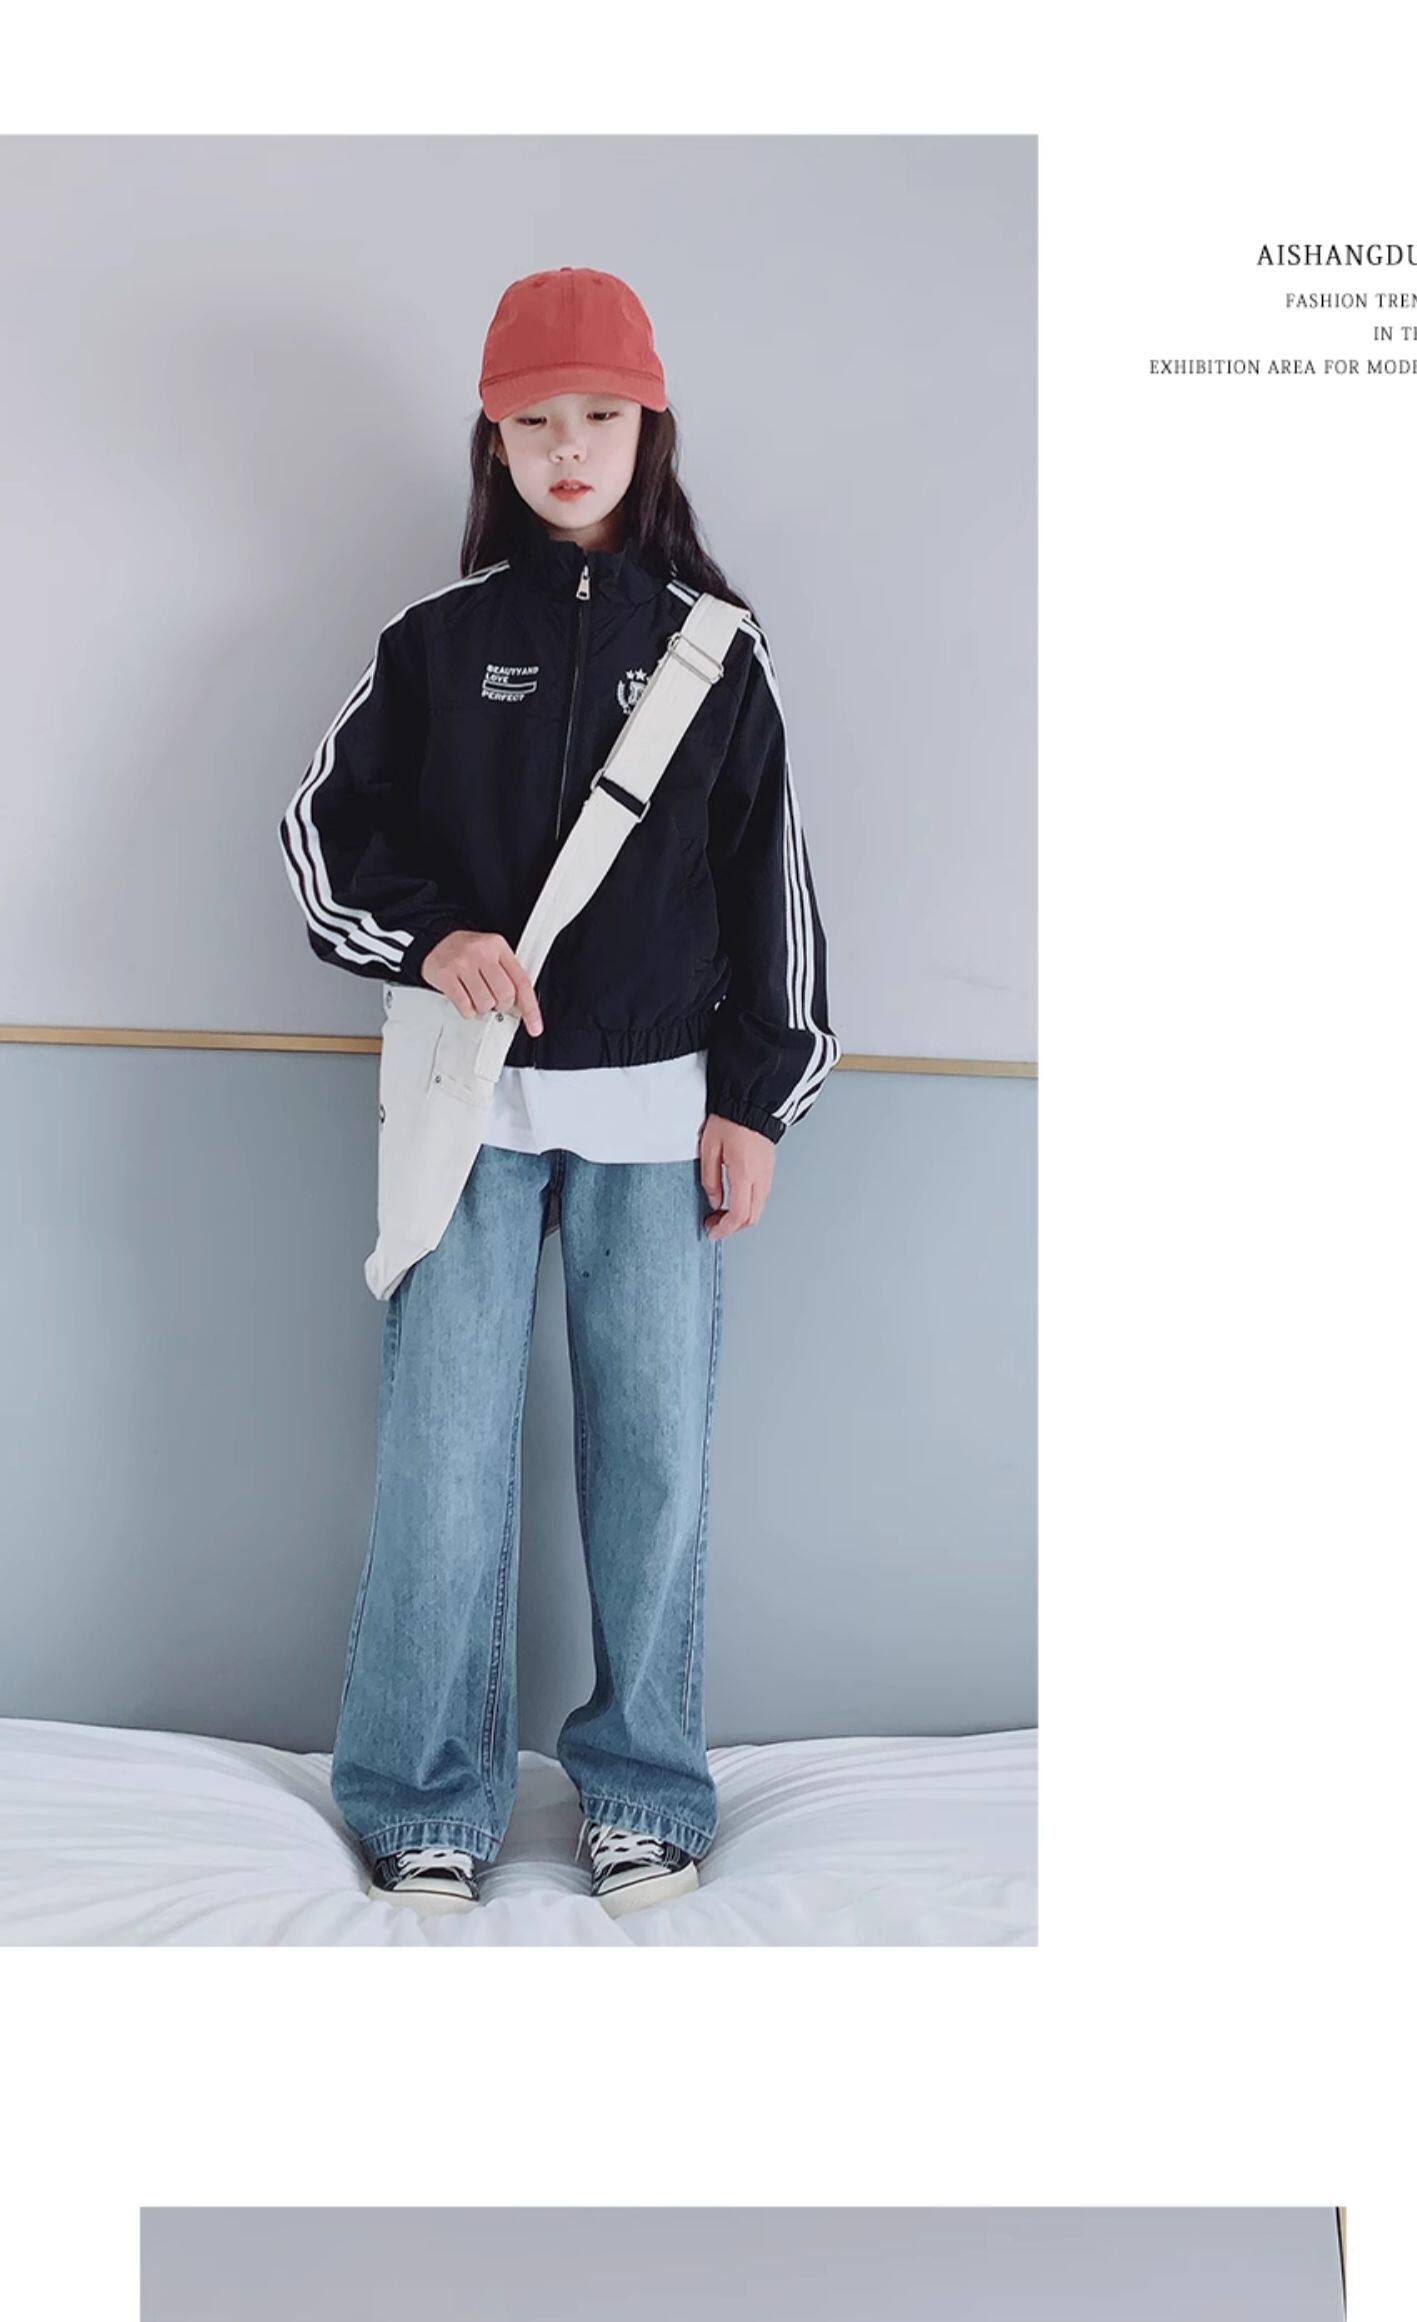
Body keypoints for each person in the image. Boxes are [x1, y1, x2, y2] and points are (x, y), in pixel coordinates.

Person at [277, 267, 839, 1919]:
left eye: (599, 414)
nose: (568, 446)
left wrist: (760, 1098)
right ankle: (424, 1799)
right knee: (442, 1469)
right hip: (469, 1112)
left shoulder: (717, 652)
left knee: (654, 1470)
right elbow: (318, 841)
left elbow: (775, 889)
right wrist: (432, 935)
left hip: (662, 1119)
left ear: (649, 426)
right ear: (494, 439)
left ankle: (644, 1790)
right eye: (535, 420)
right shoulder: (434, 642)